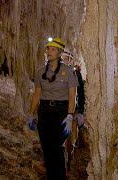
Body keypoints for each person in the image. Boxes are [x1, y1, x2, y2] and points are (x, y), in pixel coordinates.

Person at [26, 37, 79, 179]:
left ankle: (60, 176)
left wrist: (69, 115)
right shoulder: (40, 72)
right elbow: (37, 94)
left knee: (56, 147)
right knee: (46, 147)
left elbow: (72, 95)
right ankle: (51, 176)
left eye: (53, 49)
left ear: (60, 52)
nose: (49, 51)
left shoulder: (68, 72)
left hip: (60, 112)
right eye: (48, 48)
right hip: (44, 112)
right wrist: (31, 114)